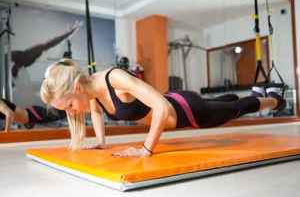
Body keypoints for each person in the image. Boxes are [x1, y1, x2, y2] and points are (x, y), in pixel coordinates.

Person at [40, 59, 286, 157]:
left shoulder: (115, 79)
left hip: (186, 112)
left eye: (69, 105)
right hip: (182, 103)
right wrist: (102, 141)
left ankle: (274, 99)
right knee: (223, 104)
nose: (71, 112)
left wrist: (146, 149)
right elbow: (95, 111)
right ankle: (238, 96)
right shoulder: (91, 90)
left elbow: (160, 106)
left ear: (77, 88)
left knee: (236, 110)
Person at [0, 98, 66, 132]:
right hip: (30, 119)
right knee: (59, 116)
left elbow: (9, 113)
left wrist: (6, 132)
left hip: (33, 114)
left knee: (62, 113)